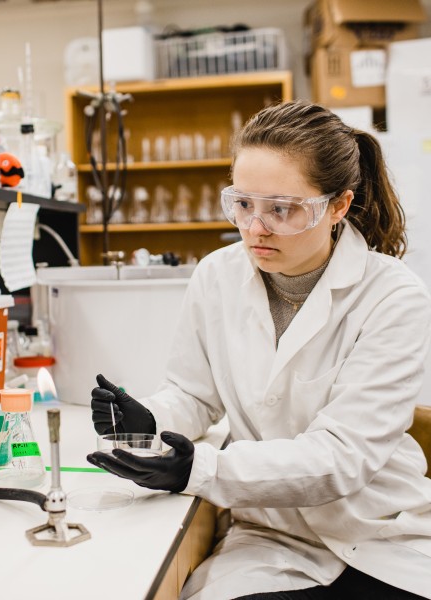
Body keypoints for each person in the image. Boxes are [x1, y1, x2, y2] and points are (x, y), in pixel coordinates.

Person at [86, 100, 431, 599]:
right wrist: (152, 420)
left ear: (339, 206)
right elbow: (195, 393)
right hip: (270, 537)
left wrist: (201, 469)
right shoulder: (216, 275)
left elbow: (342, 456)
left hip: (378, 533)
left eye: (282, 209)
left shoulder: (392, 296)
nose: (255, 228)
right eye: (243, 204)